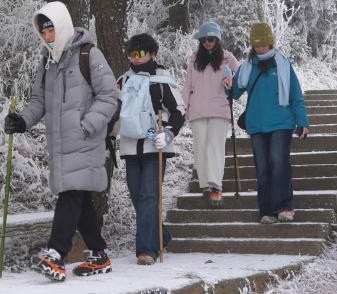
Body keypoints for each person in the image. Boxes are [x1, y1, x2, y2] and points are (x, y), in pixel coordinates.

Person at [3, 1, 118, 281]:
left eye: (51, 28)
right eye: (42, 30)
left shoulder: (89, 54)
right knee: (79, 199)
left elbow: (109, 96)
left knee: (70, 194)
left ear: (62, 25)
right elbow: (39, 101)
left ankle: (56, 255)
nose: (47, 34)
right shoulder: (47, 60)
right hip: (61, 144)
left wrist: (86, 125)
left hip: (85, 138)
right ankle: (99, 254)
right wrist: (22, 121)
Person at [229, 22, 311, 224]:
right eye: (256, 45)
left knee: (278, 161)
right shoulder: (247, 67)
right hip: (256, 125)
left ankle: (285, 206)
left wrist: (303, 121)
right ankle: (266, 210)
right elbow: (234, 93)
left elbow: (295, 94)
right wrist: (227, 83)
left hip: (282, 122)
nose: (260, 48)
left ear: (271, 43)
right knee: (263, 167)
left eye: (264, 44)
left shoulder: (282, 64)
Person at [117, 33, 185, 265]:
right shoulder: (123, 81)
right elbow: (114, 111)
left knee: (148, 196)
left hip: (155, 146)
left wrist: (168, 133)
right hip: (130, 147)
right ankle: (162, 236)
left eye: (140, 53)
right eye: (131, 54)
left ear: (152, 53)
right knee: (138, 197)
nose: (135, 59)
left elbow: (179, 110)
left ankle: (147, 250)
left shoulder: (163, 80)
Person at [183, 20, 240, 208]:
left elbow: (240, 79)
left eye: (211, 39)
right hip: (198, 108)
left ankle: (216, 186)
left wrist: (232, 81)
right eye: (204, 39)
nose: (207, 42)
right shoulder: (194, 59)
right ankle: (205, 184)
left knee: (214, 146)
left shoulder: (227, 58)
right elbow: (187, 85)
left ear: (217, 39)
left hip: (219, 108)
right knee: (201, 147)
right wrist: (184, 108)